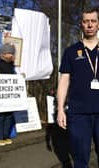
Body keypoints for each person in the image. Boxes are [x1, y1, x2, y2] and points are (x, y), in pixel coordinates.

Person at [57, 7, 99, 168]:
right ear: (81, 24)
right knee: (80, 159)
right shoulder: (71, 51)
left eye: (93, 21)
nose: (89, 25)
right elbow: (64, 80)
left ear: (98, 24)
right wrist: (60, 109)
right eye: (86, 21)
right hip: (78, 113)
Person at [0, 43, 16, 146]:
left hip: (9, 95)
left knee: (9, 115)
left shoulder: (11, 65)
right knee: (0, 116)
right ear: (4, 53)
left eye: (12, 53)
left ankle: (6, 136)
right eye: (10, 53)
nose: (11, 55)